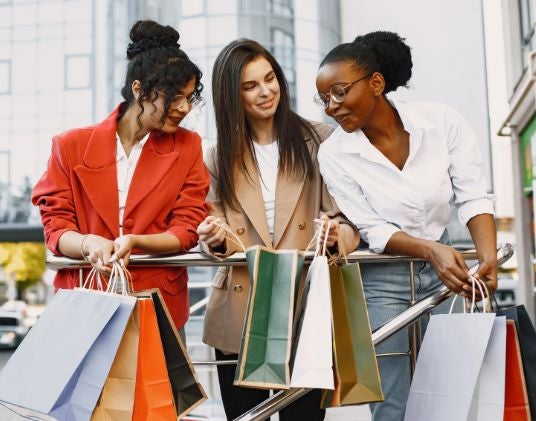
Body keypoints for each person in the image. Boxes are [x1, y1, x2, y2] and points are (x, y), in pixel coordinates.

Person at [314, 31, 497, 421]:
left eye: (340, 92)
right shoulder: (333, 154)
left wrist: (488, 258)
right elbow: (373, 228)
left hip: (448, 271)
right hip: (382, 280)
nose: (332, 107)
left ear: (376, 83)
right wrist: (431, 250)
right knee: (393, 402)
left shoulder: (440, 121)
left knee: (450, 394)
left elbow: (474, 195)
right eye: (324, 98)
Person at [196, 39, 360, 421]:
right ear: (231, 96)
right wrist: (213, 239)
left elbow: (349, 217)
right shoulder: (216, 157)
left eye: (270, 78)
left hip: (304, 302)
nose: (266, 91)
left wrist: (337, 234)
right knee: (246, 418)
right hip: (240, 307)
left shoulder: (320, 140)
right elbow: (212, 230)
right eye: (250, 86)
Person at [31, 20, 210, 331]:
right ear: (139, 89)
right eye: (174, 97)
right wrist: (88, 243)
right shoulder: (70, 146)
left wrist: (136, 241)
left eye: (189, 97)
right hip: (85, 304)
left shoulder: (189, 146)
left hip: (159, 307)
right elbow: (57, 228)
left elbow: (187, 228)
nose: (184, 108)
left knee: (159, 382)